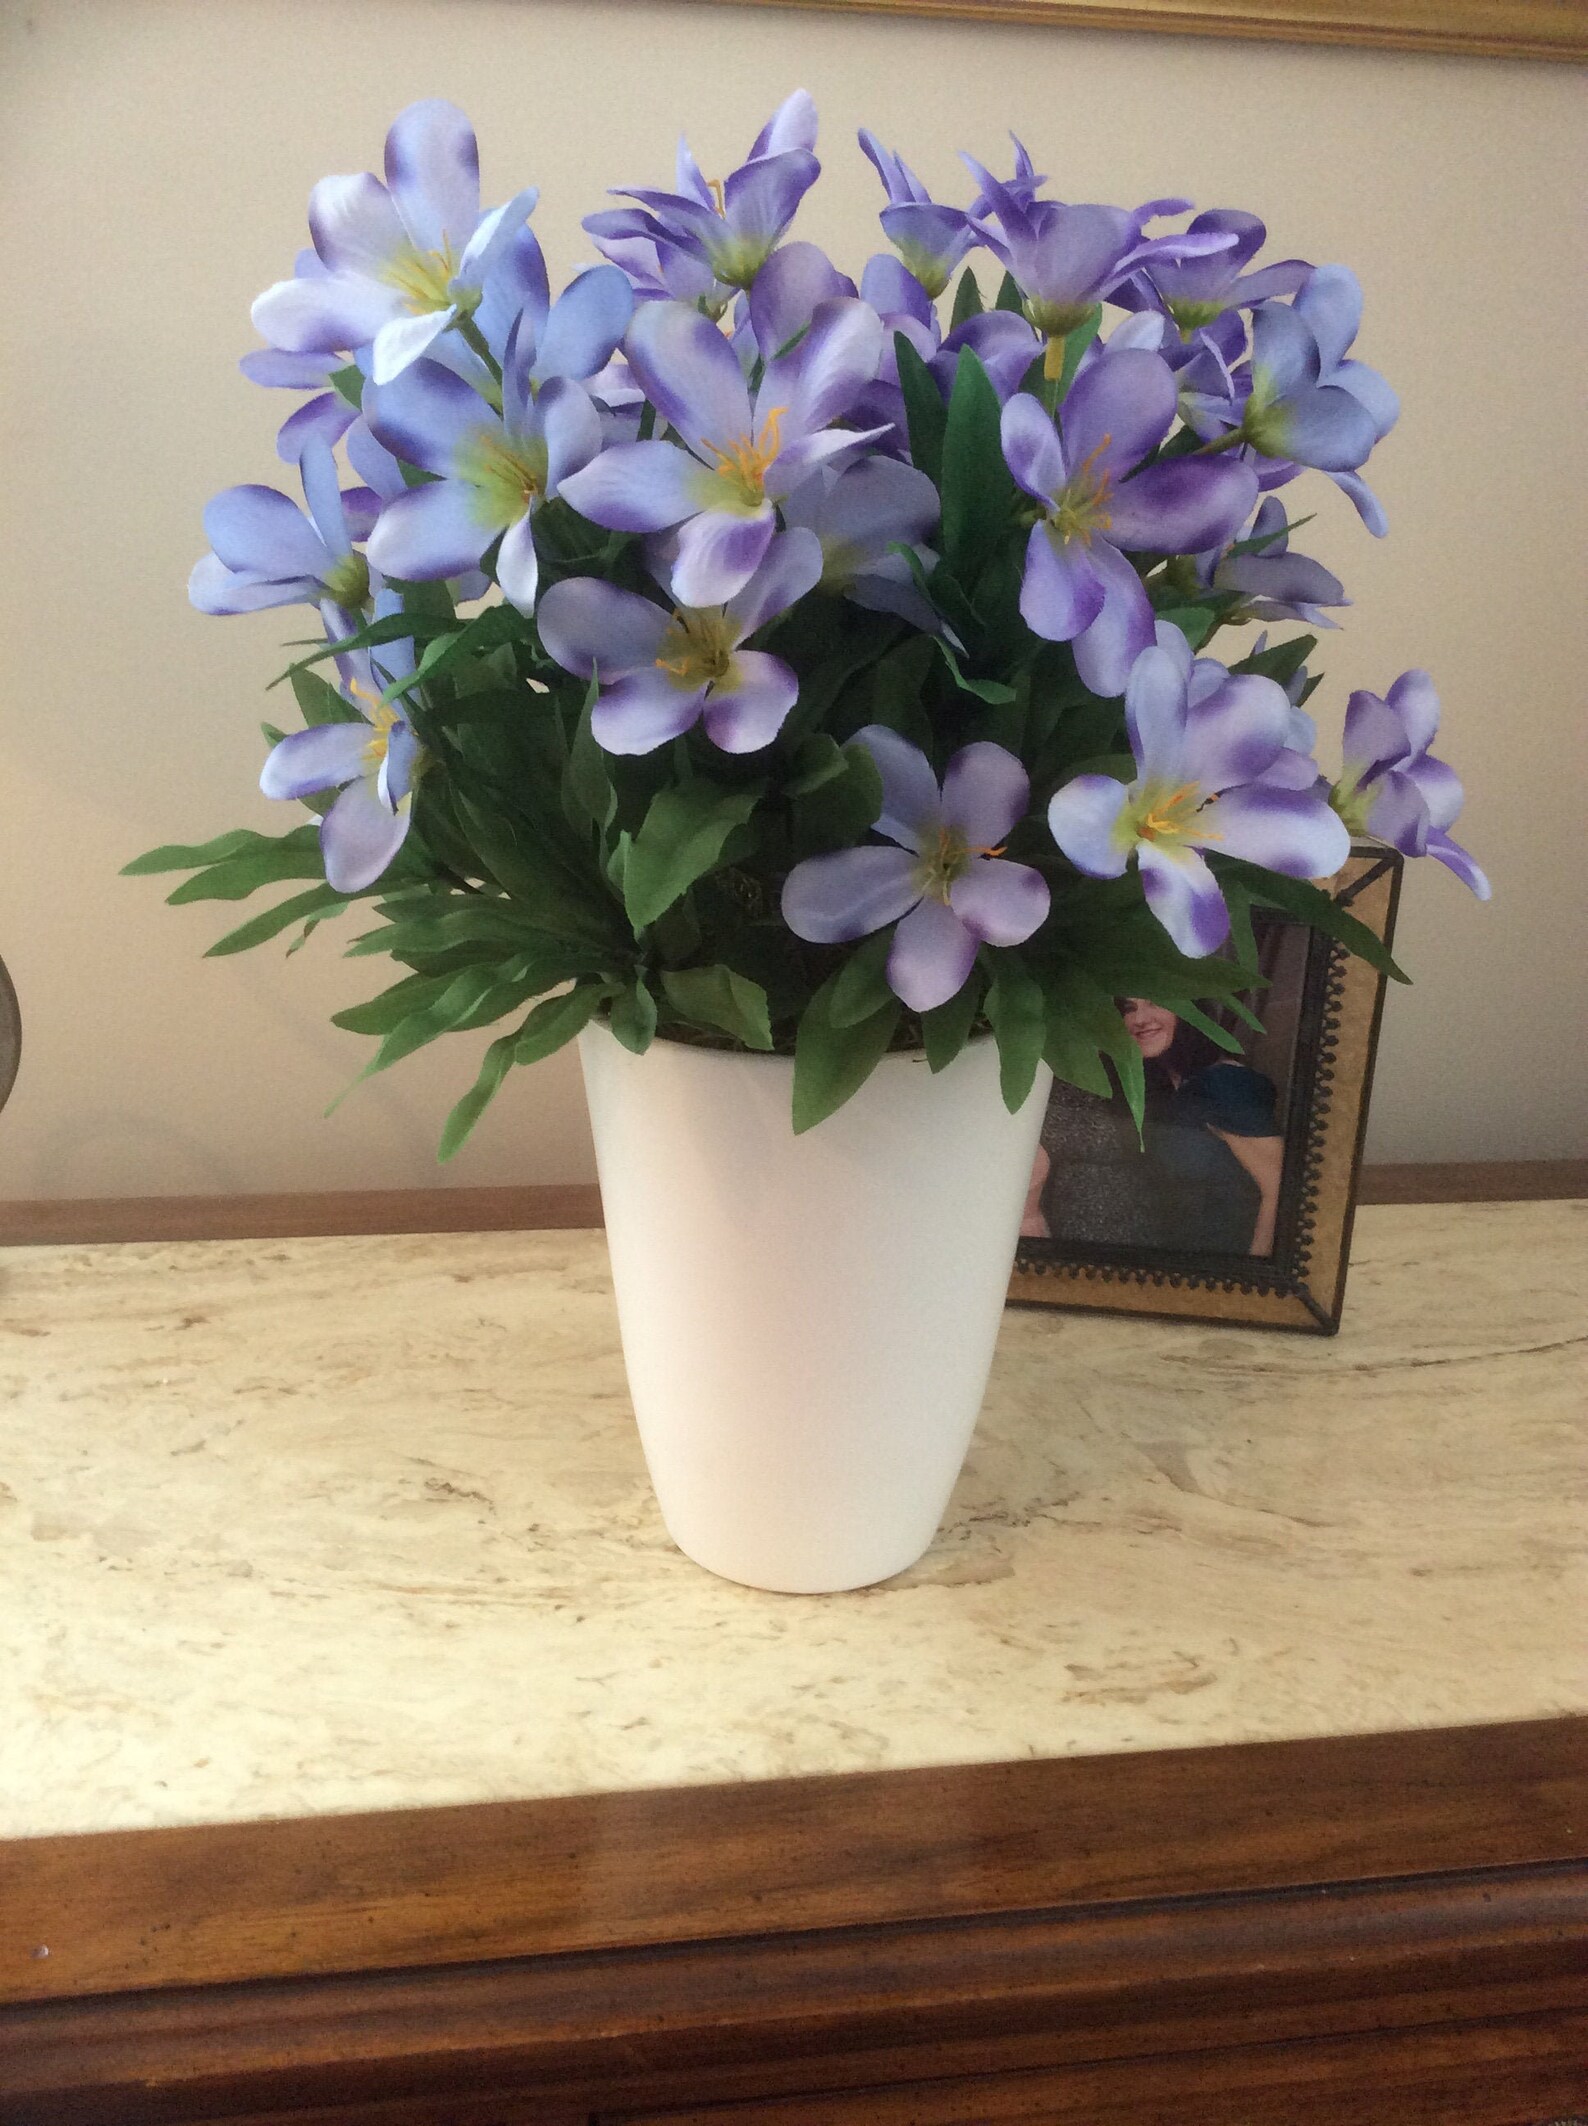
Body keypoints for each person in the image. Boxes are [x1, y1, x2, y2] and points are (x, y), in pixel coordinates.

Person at [1121, 999, 1285, 1255]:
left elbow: (1280, 1191)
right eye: (1128, 1009)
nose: (1140, 1019)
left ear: (1190, 1011)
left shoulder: (1224, 1083)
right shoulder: (1170, 1086)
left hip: (1227, 1266)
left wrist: (1254, 1277)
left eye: (1156, 1002)